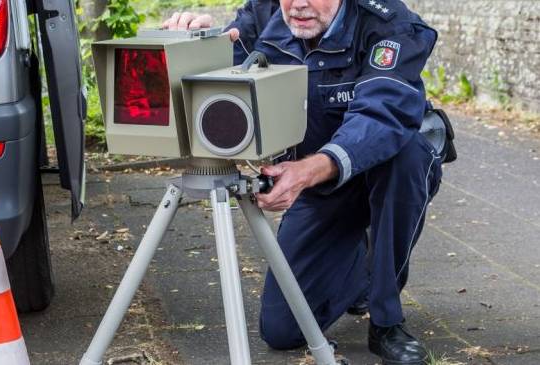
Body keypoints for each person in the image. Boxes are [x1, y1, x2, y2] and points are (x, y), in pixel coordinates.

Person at [163, 1, 441, 364]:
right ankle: (359, 262)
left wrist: (307, 171)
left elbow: (382, 115)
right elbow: (220, 73)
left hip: (382, 169)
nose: (298, 4)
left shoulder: (387, 25)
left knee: (409, 155)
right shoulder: (263, 15)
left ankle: (386, 319)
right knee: (283, 331)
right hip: (319, 188)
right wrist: (195, 42)